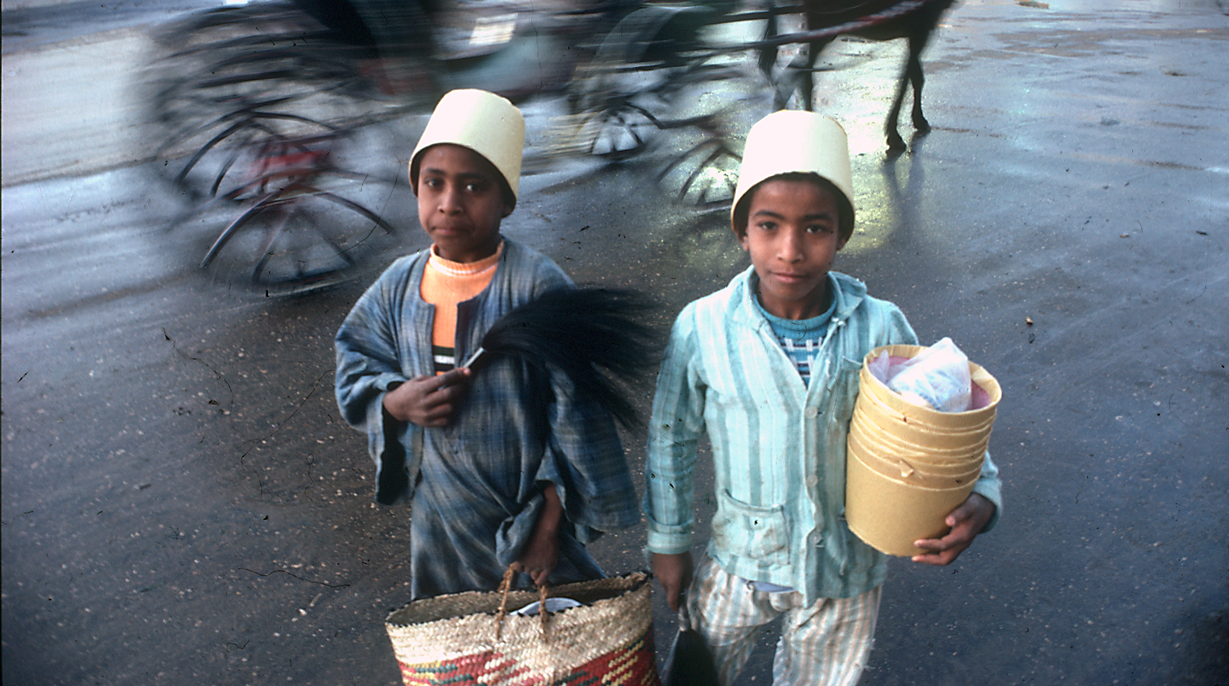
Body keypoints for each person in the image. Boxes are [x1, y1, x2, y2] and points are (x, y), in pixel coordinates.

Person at [645, 111, 1002, 685]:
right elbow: (671, 437)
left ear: (841, 237)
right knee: (696, 676)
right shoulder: (702, 328)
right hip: (739, 560)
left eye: (815, 228)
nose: (790, 250)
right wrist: (668, 542)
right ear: (742, 232)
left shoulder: (880, 326)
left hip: (845, 571)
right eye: (768, 226)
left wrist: (980, 496)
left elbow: (935, 418)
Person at [335, 89, 640, 599]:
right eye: (434, 183)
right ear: (416, 188)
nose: (449, 203)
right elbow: (354, 360)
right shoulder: (395, 286)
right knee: (455, 636)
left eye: (474, 186)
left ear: (507, 200)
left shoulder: (537, 287)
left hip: (524, 526)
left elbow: (578, 421)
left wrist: (547, 527)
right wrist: (394, 401)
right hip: (440, 527)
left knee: (551, 632)